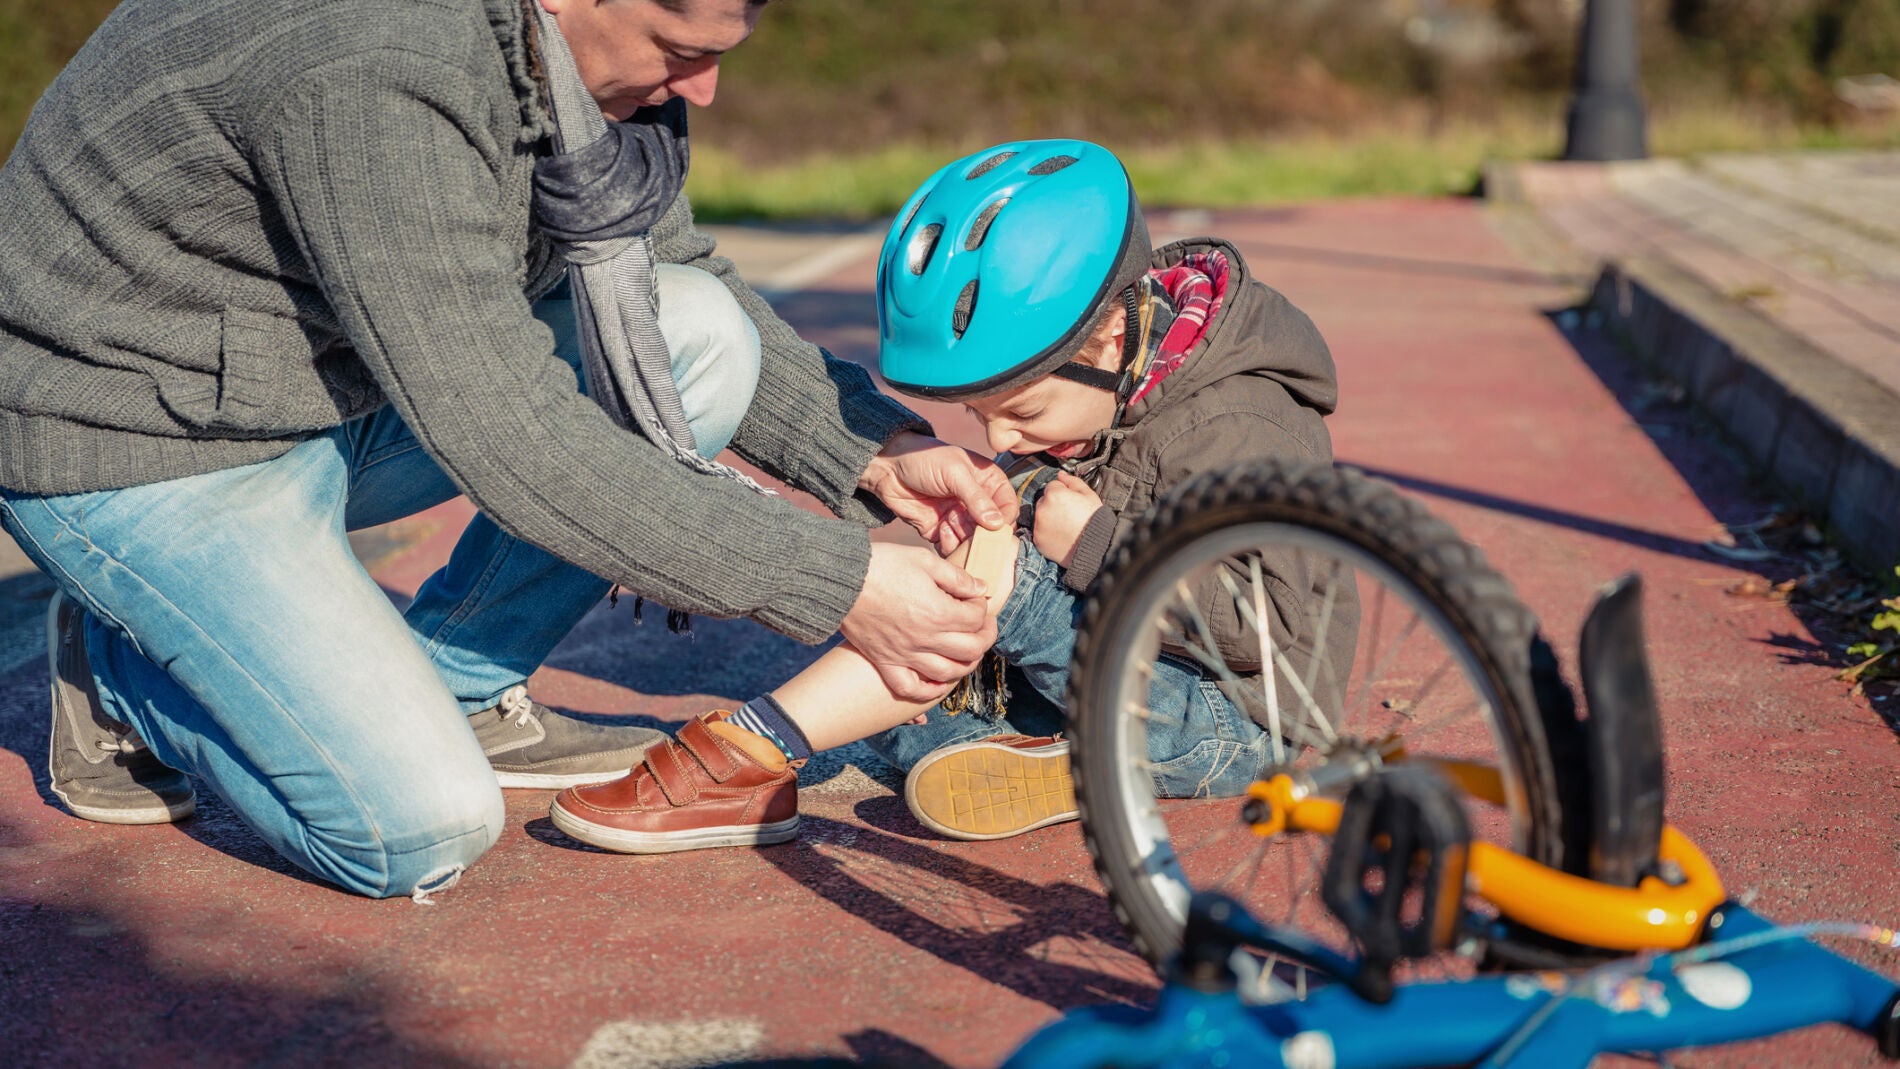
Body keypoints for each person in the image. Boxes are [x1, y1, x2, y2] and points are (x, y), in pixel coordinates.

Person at [0, 0, 1018, 900]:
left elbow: (665, 268)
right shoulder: (376, 64)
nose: (702, 89)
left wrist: (876, 452)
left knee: (695, 328)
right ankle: (130, 665)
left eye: (721, 52)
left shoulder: (576, 64)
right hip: (146, 438)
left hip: (319, 385)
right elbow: (511, 435)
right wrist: (841, 579)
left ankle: (454, 679)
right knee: (415, 828)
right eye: (677, 45)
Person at [547, 138, 1354, 853]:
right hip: (1111, 667)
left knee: (982, 577)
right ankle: (1061, 757)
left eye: (1024, 411)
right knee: (918, 689)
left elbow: (1265, 632)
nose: (1000, 438)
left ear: (1108, 339)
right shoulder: (1110, 374)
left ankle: (748, 750)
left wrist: (1101, 542)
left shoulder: (1240, 420)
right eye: (979, 414)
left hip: (1231, 721)